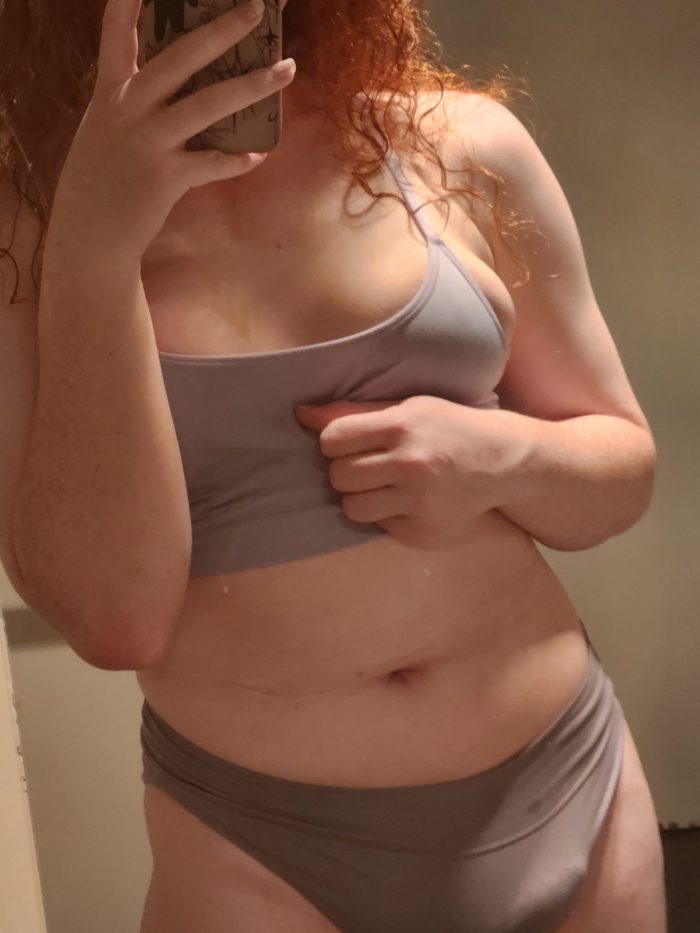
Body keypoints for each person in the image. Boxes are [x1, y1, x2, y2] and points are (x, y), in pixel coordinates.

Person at [0, 0, 667, 931]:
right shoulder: (28, 234)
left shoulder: (456, 143)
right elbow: (116, 620)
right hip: (259, 849)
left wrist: (504, 459)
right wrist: (95, 245)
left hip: (568, 774)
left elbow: (623, 468)